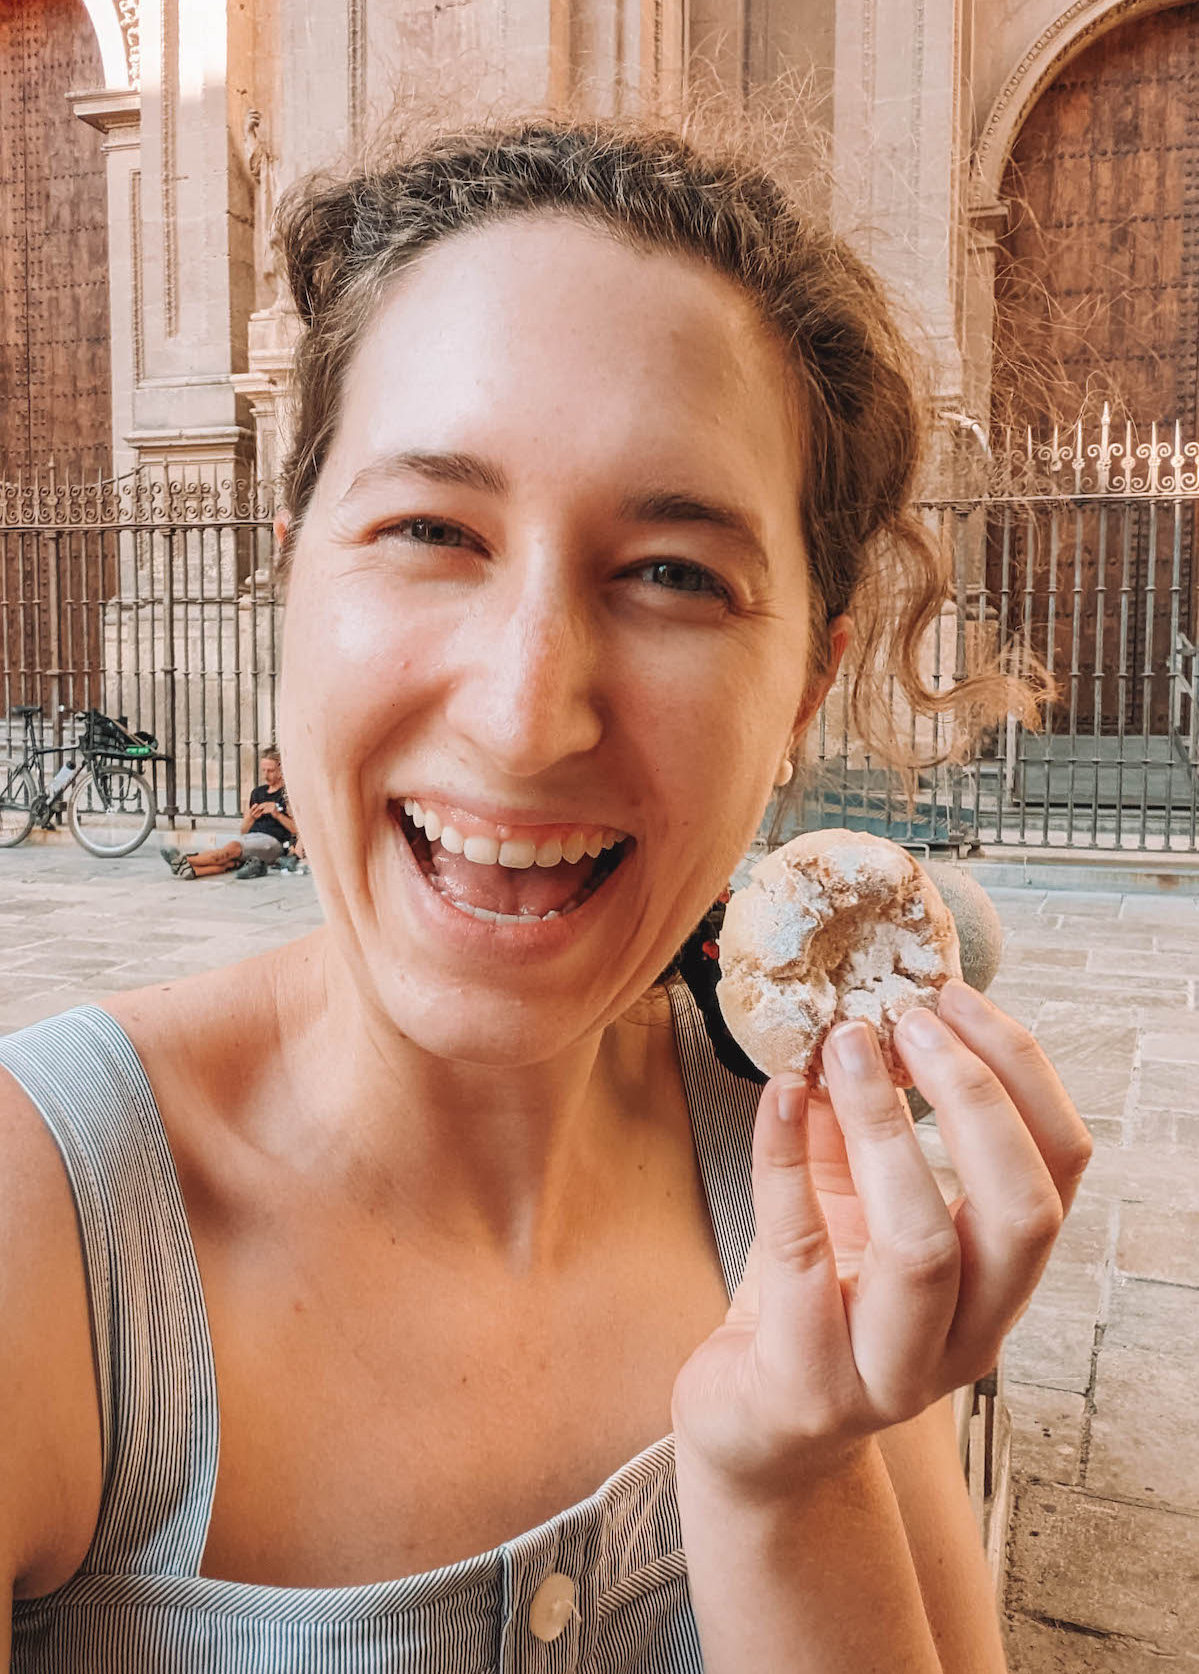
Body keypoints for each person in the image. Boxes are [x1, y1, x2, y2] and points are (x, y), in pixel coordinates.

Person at [0, 117, 1092, 1673]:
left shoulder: (803, 1219)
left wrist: (780, 1474)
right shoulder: (40, 1225)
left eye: (670, 573)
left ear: (805, 688)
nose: (525, 715)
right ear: (290, 569)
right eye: (431, 531)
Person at [160, 747, 301, 878]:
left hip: (274, 843)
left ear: (281, 769)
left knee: (232, 849)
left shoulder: (287, 794)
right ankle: (192, 870)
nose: (265, 775)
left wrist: (277, 814)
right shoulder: (257, 792)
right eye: (263, 770)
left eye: (270, 771)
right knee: (227, 861)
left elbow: (297, 830)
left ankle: (182, 859)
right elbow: (244, 830)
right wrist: (251, 818)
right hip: (252, 838)